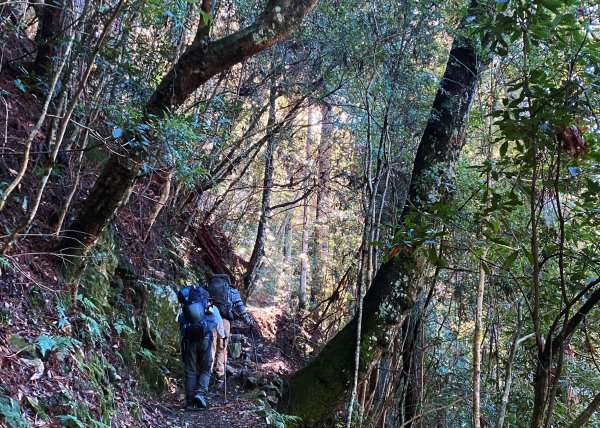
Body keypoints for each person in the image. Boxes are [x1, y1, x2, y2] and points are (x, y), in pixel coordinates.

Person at [177, 283, 225, 411]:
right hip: (206, 339)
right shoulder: (211, 308)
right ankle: (200, 393)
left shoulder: (186, 307)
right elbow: (217, 324)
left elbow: (180, 322)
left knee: (190, 370)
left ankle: (189, 402)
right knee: (205, 368)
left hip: (189, 340)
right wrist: (223, 337)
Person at [207, 274, 258, 387]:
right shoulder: (231, 290)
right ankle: (220, 375)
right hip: (225, 321)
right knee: (222, 348)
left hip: (210, 320)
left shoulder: (209, 287)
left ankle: (207, 375)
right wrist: (249, 322)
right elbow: (240, 308)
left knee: (211, 346)